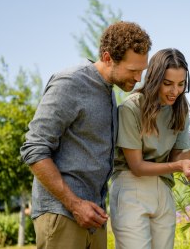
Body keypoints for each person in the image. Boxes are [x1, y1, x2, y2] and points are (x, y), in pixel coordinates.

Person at [20, 21, 152, 249]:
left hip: (92, 216)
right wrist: (75, 204)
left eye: (142, 70)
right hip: (62, 214)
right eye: (133, 70)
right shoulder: (70, 82)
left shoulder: (108, 91)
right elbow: (34, 149)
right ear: (109, 58)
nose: (139, 78)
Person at [110, 48, 190, 249]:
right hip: (132, 189)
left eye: (181, 84)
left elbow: (175, 158)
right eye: (168, 84)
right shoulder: (131, 108)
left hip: (163, 190)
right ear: (155, 79)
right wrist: (180, 166)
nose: (175, 91)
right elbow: (137, 166)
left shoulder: (179, 109)